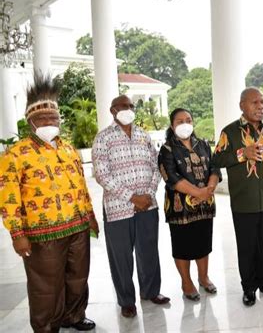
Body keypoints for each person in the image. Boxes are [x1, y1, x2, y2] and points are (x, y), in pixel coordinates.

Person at [0, 74, 98, 332]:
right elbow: (8, 198)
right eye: (43, 119)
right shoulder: (15, 154)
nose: (49, 123)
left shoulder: (69, 149)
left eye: (53, 118)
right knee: (46, 286)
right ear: (30, 121)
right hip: (42, 234)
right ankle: (45, 327)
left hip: (77, 227)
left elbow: (81, 185)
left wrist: (90, 215)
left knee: (78, 277)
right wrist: (17, 234)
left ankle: (74, 316)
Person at [92, 95, 169, 319]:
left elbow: (156, 166)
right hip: (118, 209)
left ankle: (151, 291)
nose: (128, 109)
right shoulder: (103, 138)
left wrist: (148, 194)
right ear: (113, 110)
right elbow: (101, 174)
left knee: (148, 252)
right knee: (121, 258)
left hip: (148, 205)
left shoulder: (143, 135)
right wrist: (132, 198)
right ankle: (126, 300)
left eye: (131, 106)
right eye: (124, 106)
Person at [213, 87, 263, 307]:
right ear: (242, 105)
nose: (260, 107)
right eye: (254, 102)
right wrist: (241, 153)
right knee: (247, 247)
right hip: (244, 201)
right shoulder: (230, 132)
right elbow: (216, 159)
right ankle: (249, 287)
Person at [158, 108, 221, 301]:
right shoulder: (167, 149)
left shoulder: (202, 144)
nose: (185, 124)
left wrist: (208, 190)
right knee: (183, 246)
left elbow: (214, 168)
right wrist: (199, 193)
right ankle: (186, 282)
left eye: (188, 120)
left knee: (203, 243)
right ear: (172, 125)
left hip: (205, 205)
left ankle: (203, 277)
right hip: (180, 208)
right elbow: (171, 177)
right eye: (179, 121)